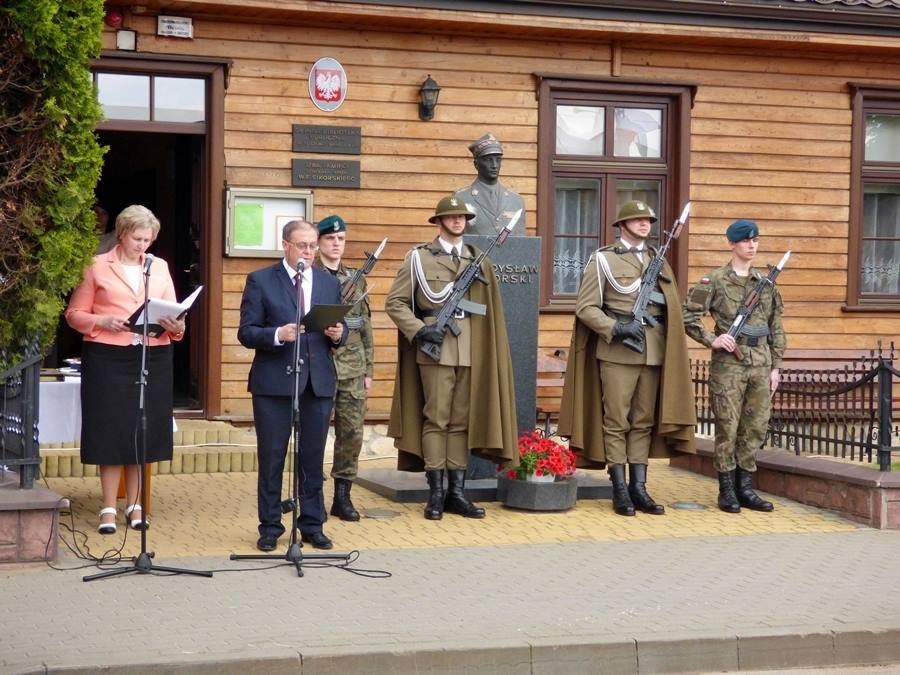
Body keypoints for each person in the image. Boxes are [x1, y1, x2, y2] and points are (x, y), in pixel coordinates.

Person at [558, 200, 696, 516]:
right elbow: (586, 308)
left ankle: (639, 487)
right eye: (637, 220)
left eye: (648, 220)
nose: (645, 224)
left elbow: (671, 306)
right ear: (622, 225)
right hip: (618, 350)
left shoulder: (656, 260)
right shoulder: (603, 260)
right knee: (616, 420)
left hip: (652, 350)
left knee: (643, 422)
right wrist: (616, 328)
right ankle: (619, 487)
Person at [385, 194, 518, 520]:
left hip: (469, 351)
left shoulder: (478, 260)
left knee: (459, 423)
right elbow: (395, 303)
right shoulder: (418, 259)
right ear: (439, 221)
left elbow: (488, 312)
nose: (458, 221)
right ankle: (436, 493)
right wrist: (419, 331)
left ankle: (457, 493)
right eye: (452, 216)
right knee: (437, 419)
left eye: (462, 217)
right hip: (436, 350)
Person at [65, 205, 185, 534]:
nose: (142, 245)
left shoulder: (158, 267)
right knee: (111, 430)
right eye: (137, 238)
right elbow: (74, 314)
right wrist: (100, 321)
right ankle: (107, 506)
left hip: (152, 356)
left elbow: (176, 315)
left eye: (148, 239)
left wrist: (176, 326)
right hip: (107, 355)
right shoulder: (97, 265)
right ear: (122, 233)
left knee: (141, 429)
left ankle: (135, 505)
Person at [237, 219, 347, 552]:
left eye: (313, 245)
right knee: (272, 456)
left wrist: (340, 334)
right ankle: (270, 525)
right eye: (303, 245)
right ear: (286, 245)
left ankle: (312, 523)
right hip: (274, 383)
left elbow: (340, 325)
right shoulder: (261, 280)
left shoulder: (328, 283)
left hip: (317, 382)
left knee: (312, 457)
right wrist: (276, 334)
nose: (310, 251)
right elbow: (246, 332)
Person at [682, 219, 785, 513]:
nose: (752, 245)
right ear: (731, 244)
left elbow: (776, 325)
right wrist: (713, 339)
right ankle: (726, 490)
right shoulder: (713, 281)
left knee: (754, 427)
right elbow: (688, 317)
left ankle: (746, 488)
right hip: (729, 365)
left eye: (755, 240)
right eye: (745, 240)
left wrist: (776, 366)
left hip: (761, 364)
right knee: (728, 426)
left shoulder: (765, 284)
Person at [314, 214, 374, 522]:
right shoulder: (311, 275)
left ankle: (342, 496)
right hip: (320, 364)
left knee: (351, 433)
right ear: (319, 242)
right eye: (330, 239)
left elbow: (364, 326)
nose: (336, 244)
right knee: (314, 433)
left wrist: (369, 370)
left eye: (341, 239)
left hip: (353, 368)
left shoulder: (357, 277)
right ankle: (311, 497)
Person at [454, 133, 526, 237]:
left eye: (498, 160)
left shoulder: (516, 201)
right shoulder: (461, 198)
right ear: (476, 164)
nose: (494, 165)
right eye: (488, 160)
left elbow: (521, 243)